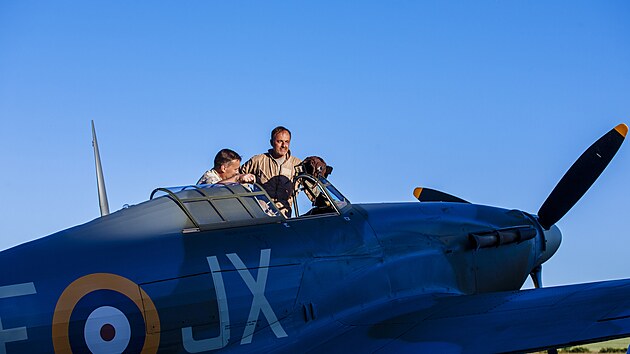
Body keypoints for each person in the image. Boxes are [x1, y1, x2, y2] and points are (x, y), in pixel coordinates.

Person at [240, 126, 302, 217]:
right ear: (271, 142)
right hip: (260, 214)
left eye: (287, 142)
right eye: (280, 141)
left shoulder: (297, 165)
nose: (284, 145)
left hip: (284, 216)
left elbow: (312, 189)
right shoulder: (258, 160)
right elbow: (237, 176)